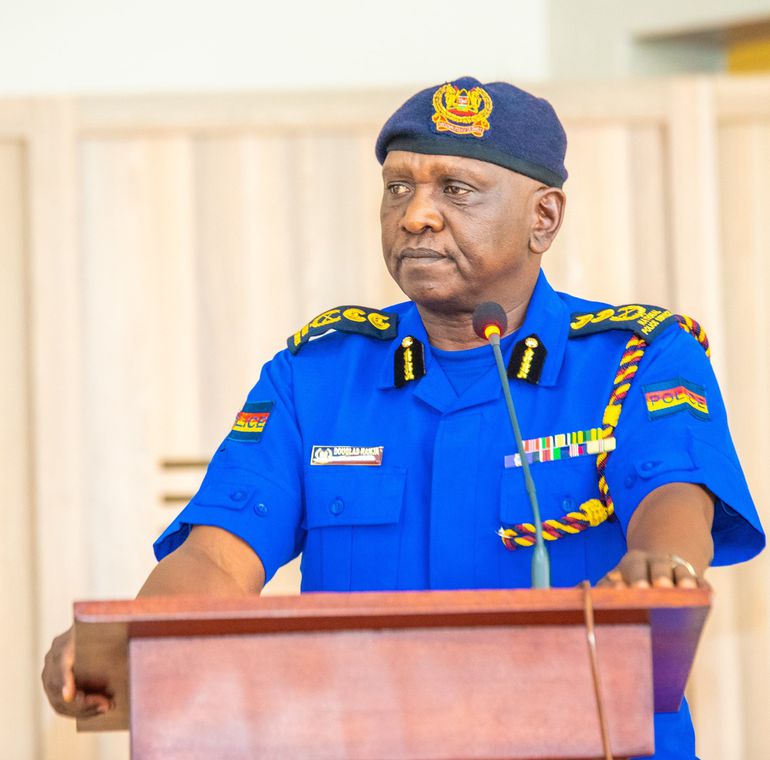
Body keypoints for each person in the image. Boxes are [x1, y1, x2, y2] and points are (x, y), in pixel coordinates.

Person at [43, 77, 764, 757]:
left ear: (543, 218)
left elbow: (673, 498)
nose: (415, 214)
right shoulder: (318, 374)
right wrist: (127, 640)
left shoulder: (635, 357)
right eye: (398, 188)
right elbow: (218, 555)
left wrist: (662, 567)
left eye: (456, 189)